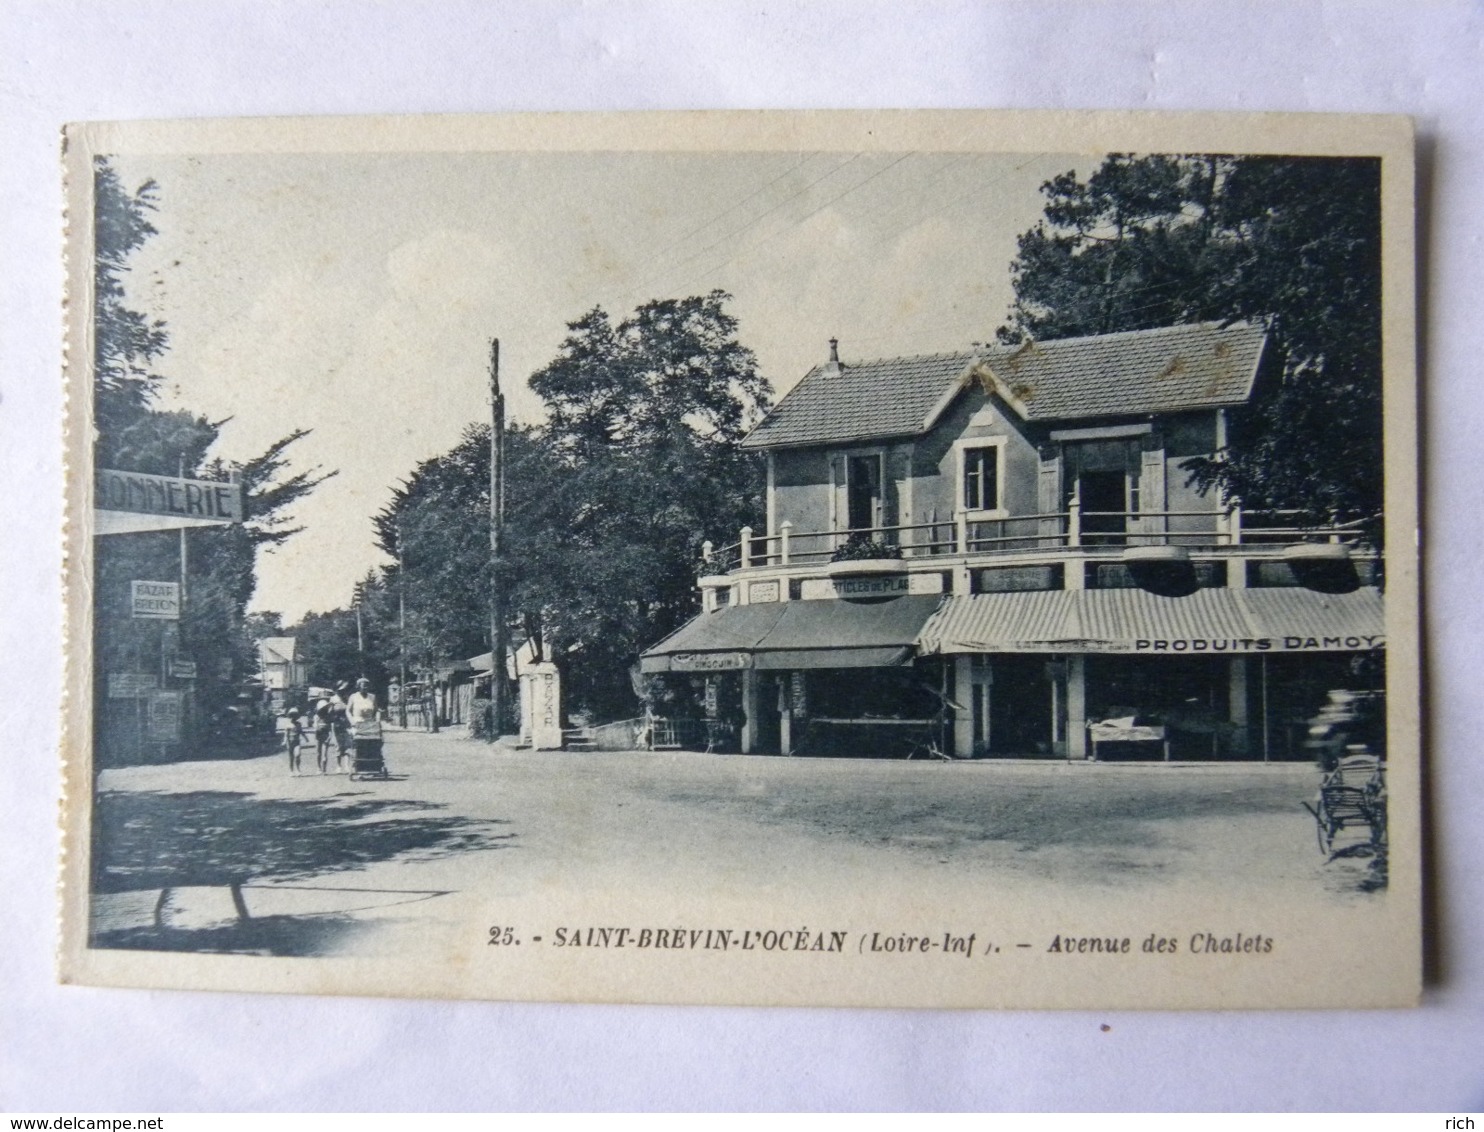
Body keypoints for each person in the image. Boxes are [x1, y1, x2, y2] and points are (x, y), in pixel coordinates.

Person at [345, 677, 387, 776]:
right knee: (359, 744)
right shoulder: (353, 697)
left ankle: (374, 765)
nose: (365, 688)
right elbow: (348, 711)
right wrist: (352, 721)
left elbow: (376, 710)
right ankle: (359, 766)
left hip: (370, 724)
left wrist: (378, 720)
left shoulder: (372, 697)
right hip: (357, 723)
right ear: (358, 687)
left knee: (374, 742)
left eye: (367, 686)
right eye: (363, 686)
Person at [328, 682, 353, 772]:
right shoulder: (333, 699)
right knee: (338, 745)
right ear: (337, 689)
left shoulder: (347, 698)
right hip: (337, 724)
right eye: (341, 690)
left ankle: (347, 765)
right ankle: (338, 766)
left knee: (348, 745)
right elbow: (329, 712)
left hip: (347, 724)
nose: (343, 691)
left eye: (344, 690)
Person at [282, 706, 306, 775]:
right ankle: (291, 771)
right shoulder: (288, 725)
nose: (293, 717)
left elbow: (301, 732)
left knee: (297, 755)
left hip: (297, 742)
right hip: (290, 743)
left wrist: (305, 738)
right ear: (290, 716)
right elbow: (286, 734)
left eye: (295, 716)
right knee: (291, 758)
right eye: (292, 715)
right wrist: (285, 741)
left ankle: (298, 769)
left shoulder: (299, 724)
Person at [312, 696, 334, 774]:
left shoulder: (328, 717)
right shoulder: (316, 717)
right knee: (318, 753)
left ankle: (324, 769)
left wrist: (330, 736)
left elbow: (330, 729)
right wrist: (316, 729)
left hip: (325, 736)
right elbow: (315, 726)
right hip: (318, 736)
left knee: (324, 753)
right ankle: (318, 768)